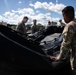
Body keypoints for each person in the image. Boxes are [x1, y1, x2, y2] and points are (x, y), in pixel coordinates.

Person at [50, 6, 76, 75]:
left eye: (63, 16)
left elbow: (66, 44)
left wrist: (60, 57)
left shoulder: (70, 26)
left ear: (65, 15)